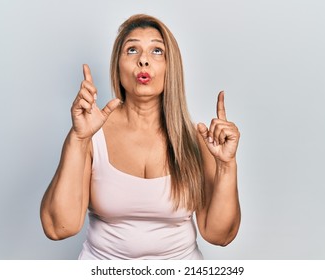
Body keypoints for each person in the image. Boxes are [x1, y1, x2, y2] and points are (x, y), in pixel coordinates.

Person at [40, 14, 241, 260]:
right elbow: (58, 227)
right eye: (132, 50)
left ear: (171, 66)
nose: (143, 60)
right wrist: (78, 139)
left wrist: (227, 165)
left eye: (157, 51)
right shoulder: (91, 135)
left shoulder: (197, 140)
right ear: (118, 65)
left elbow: (220, 235)